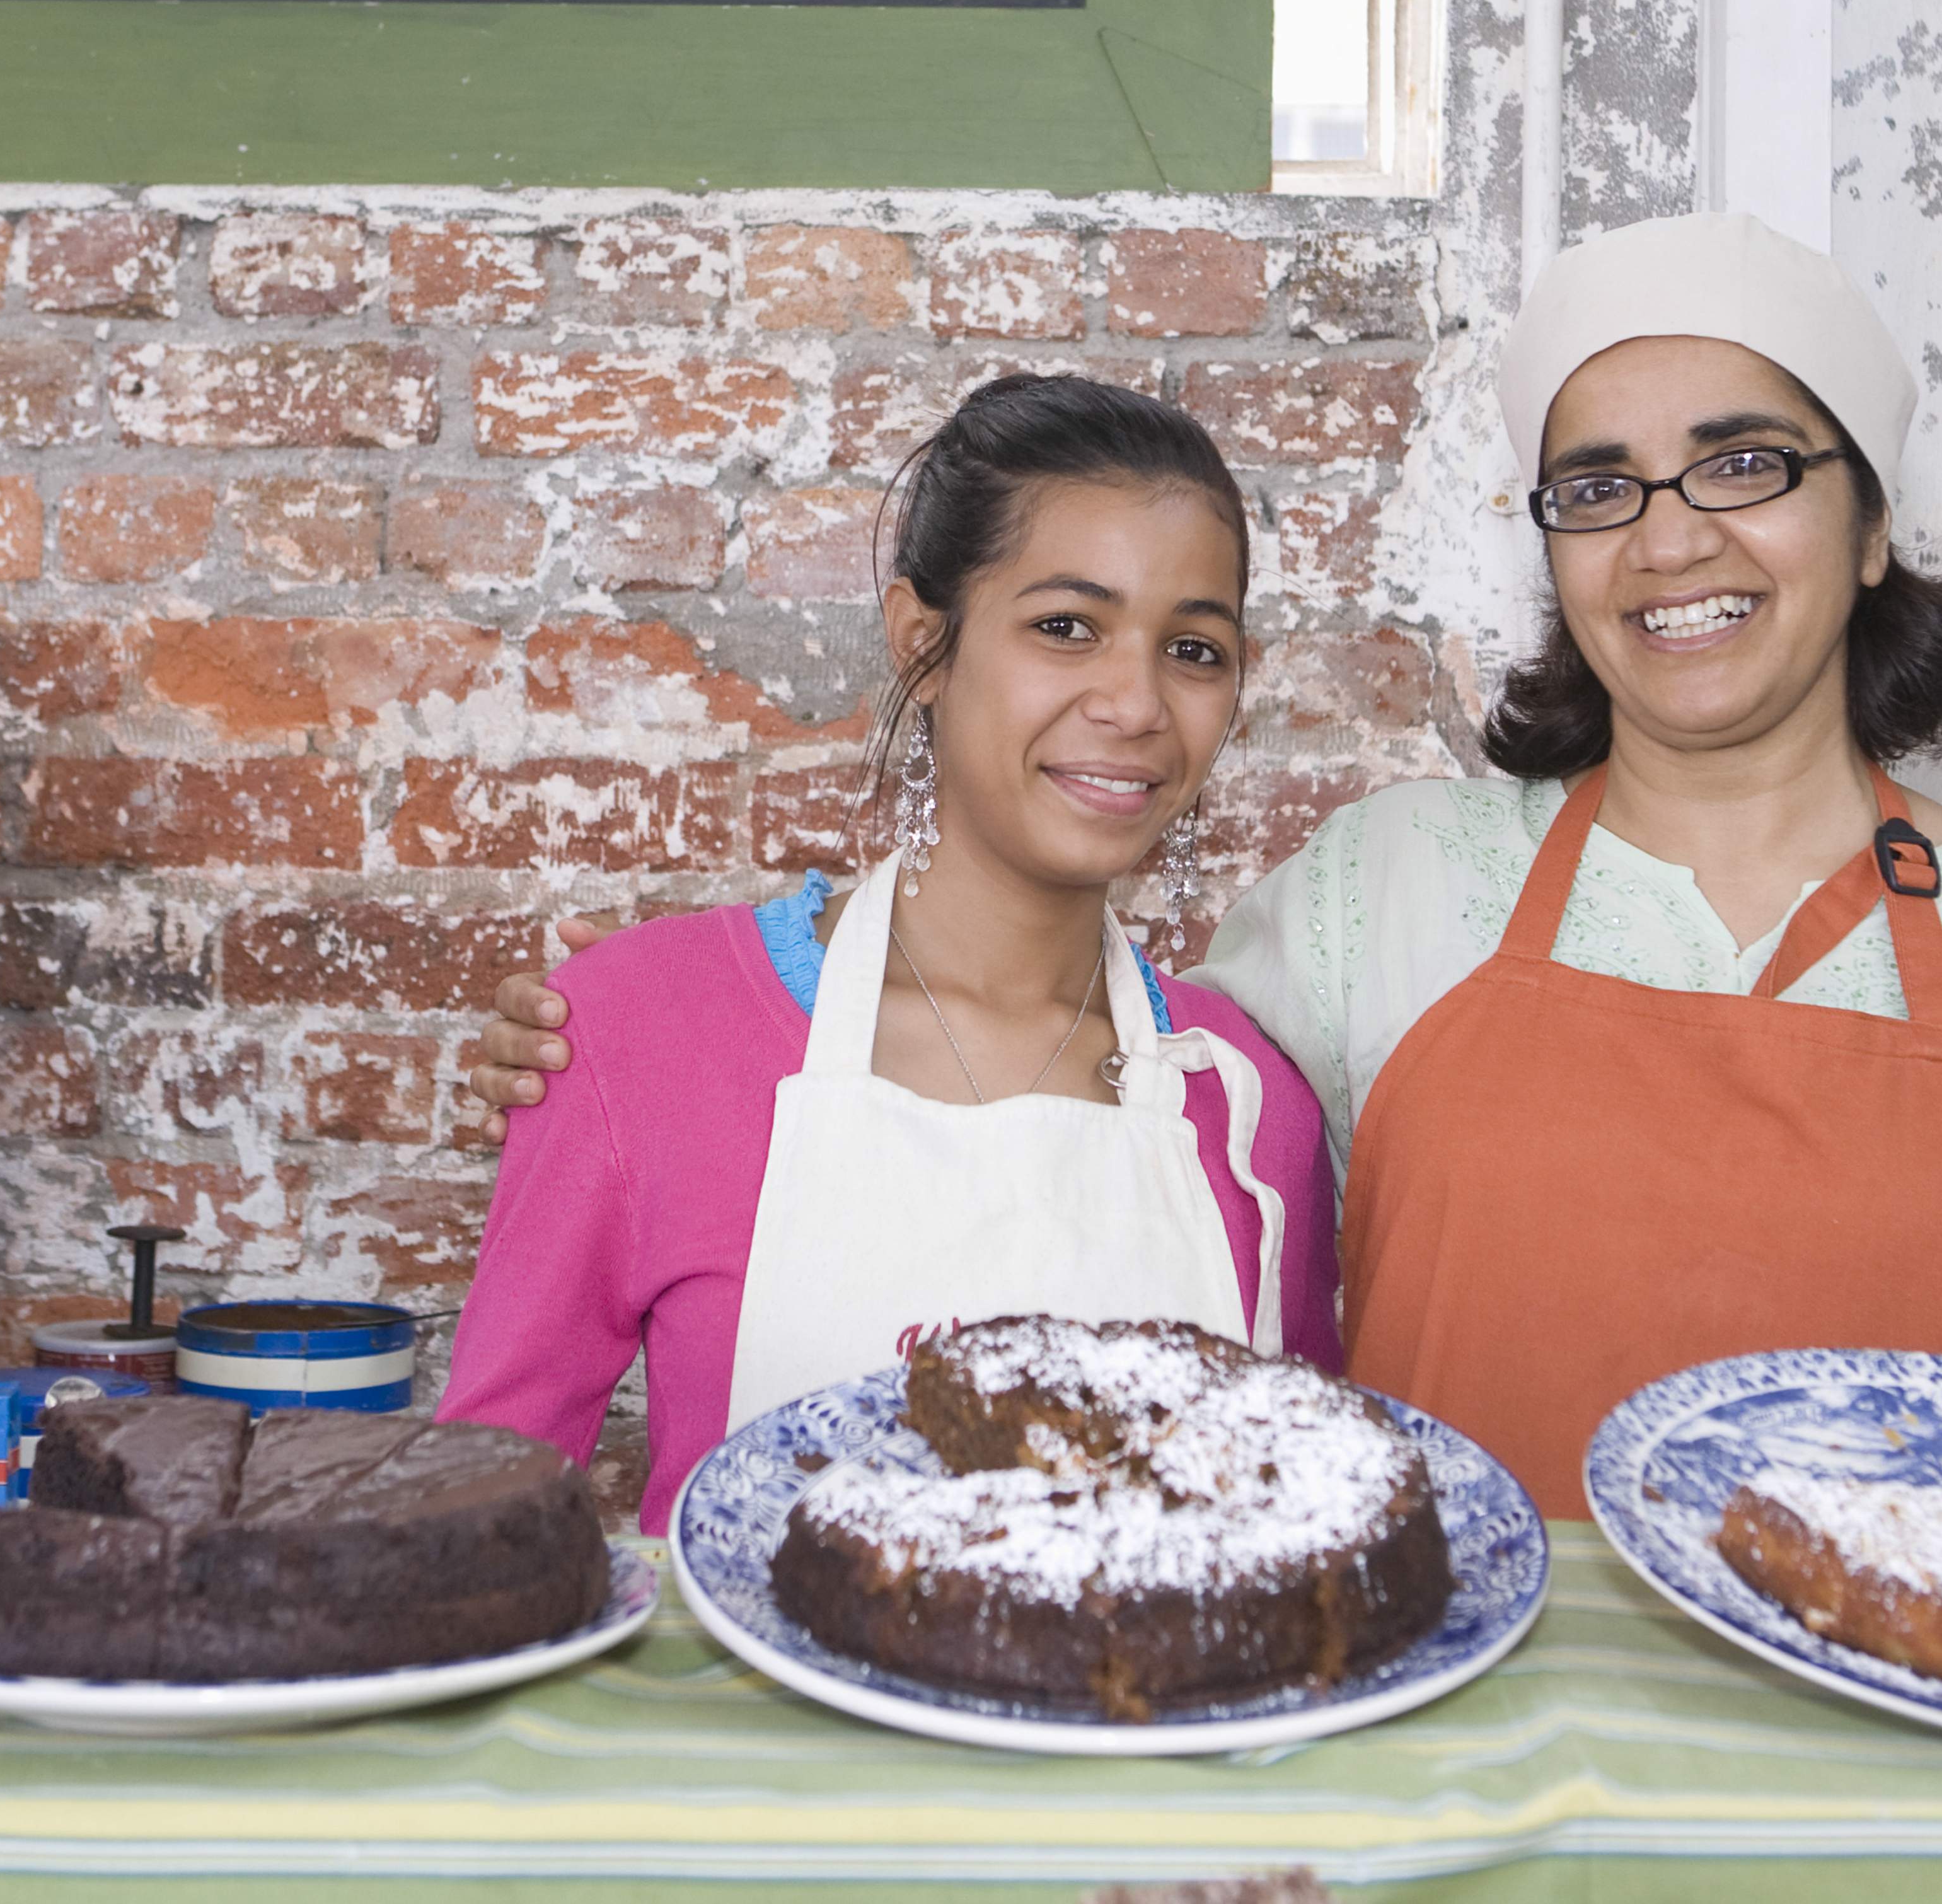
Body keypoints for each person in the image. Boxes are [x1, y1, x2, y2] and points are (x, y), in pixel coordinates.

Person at [468, 215, 1942, 1514]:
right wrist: (606, 1060)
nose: (1671, 534)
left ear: (1870, 524)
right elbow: (1082, 1088)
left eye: (1748, 464)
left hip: (1899, 1811)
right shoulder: (1386, 891)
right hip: (1435, 1777)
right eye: (1600, 485)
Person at [435, 374, 1339, 1531]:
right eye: (1066, 627)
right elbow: (477, 1521)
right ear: (925, 640)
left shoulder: (1251, 1101)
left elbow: (1294, 1524)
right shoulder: (634, 1031)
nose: (1136, 702)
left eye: (1195, 649)